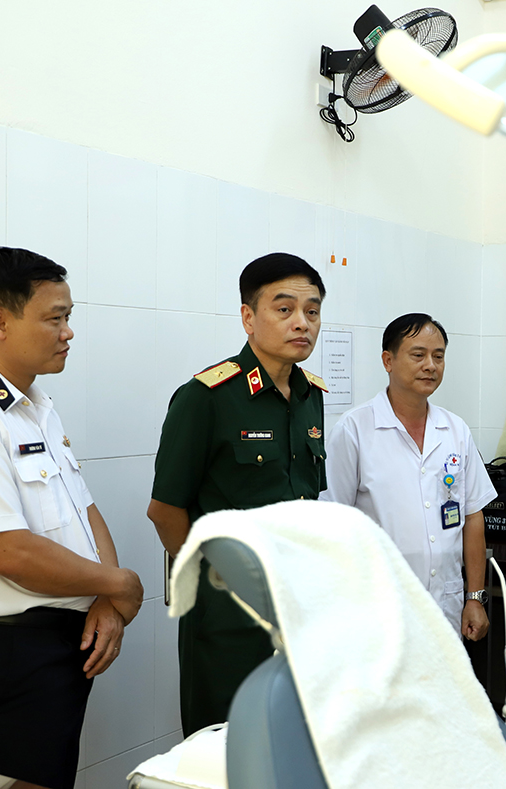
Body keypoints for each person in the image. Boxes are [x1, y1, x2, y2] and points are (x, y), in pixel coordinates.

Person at [0, 247, 144, 789]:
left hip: (54, 652)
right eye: (54, 318)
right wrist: (120, 583)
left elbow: (84, 510)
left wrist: (106, 598)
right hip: (7, 660)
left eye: (68, 317)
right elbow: (9, 552)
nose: (68, 332)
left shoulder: (33, 407)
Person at [148, 252, 328, 735]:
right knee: (225, 742)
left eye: (312, 311)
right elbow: (164, 510)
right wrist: (214, 581)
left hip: (296, 604)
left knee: (288, 739)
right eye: (284, 309)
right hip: (227, 613)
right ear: (249, 317)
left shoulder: (311, 397)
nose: (302, 322)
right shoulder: (206, 397)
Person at [324, 313, 495, 639]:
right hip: (378, 608)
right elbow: (334, 525)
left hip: (445, 606)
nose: (430, 365)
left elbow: (473, 516)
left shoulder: (455, 430)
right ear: (388, 361)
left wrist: (474, 597)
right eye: (418, 355)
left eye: (438, 356)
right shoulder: (354, 429)